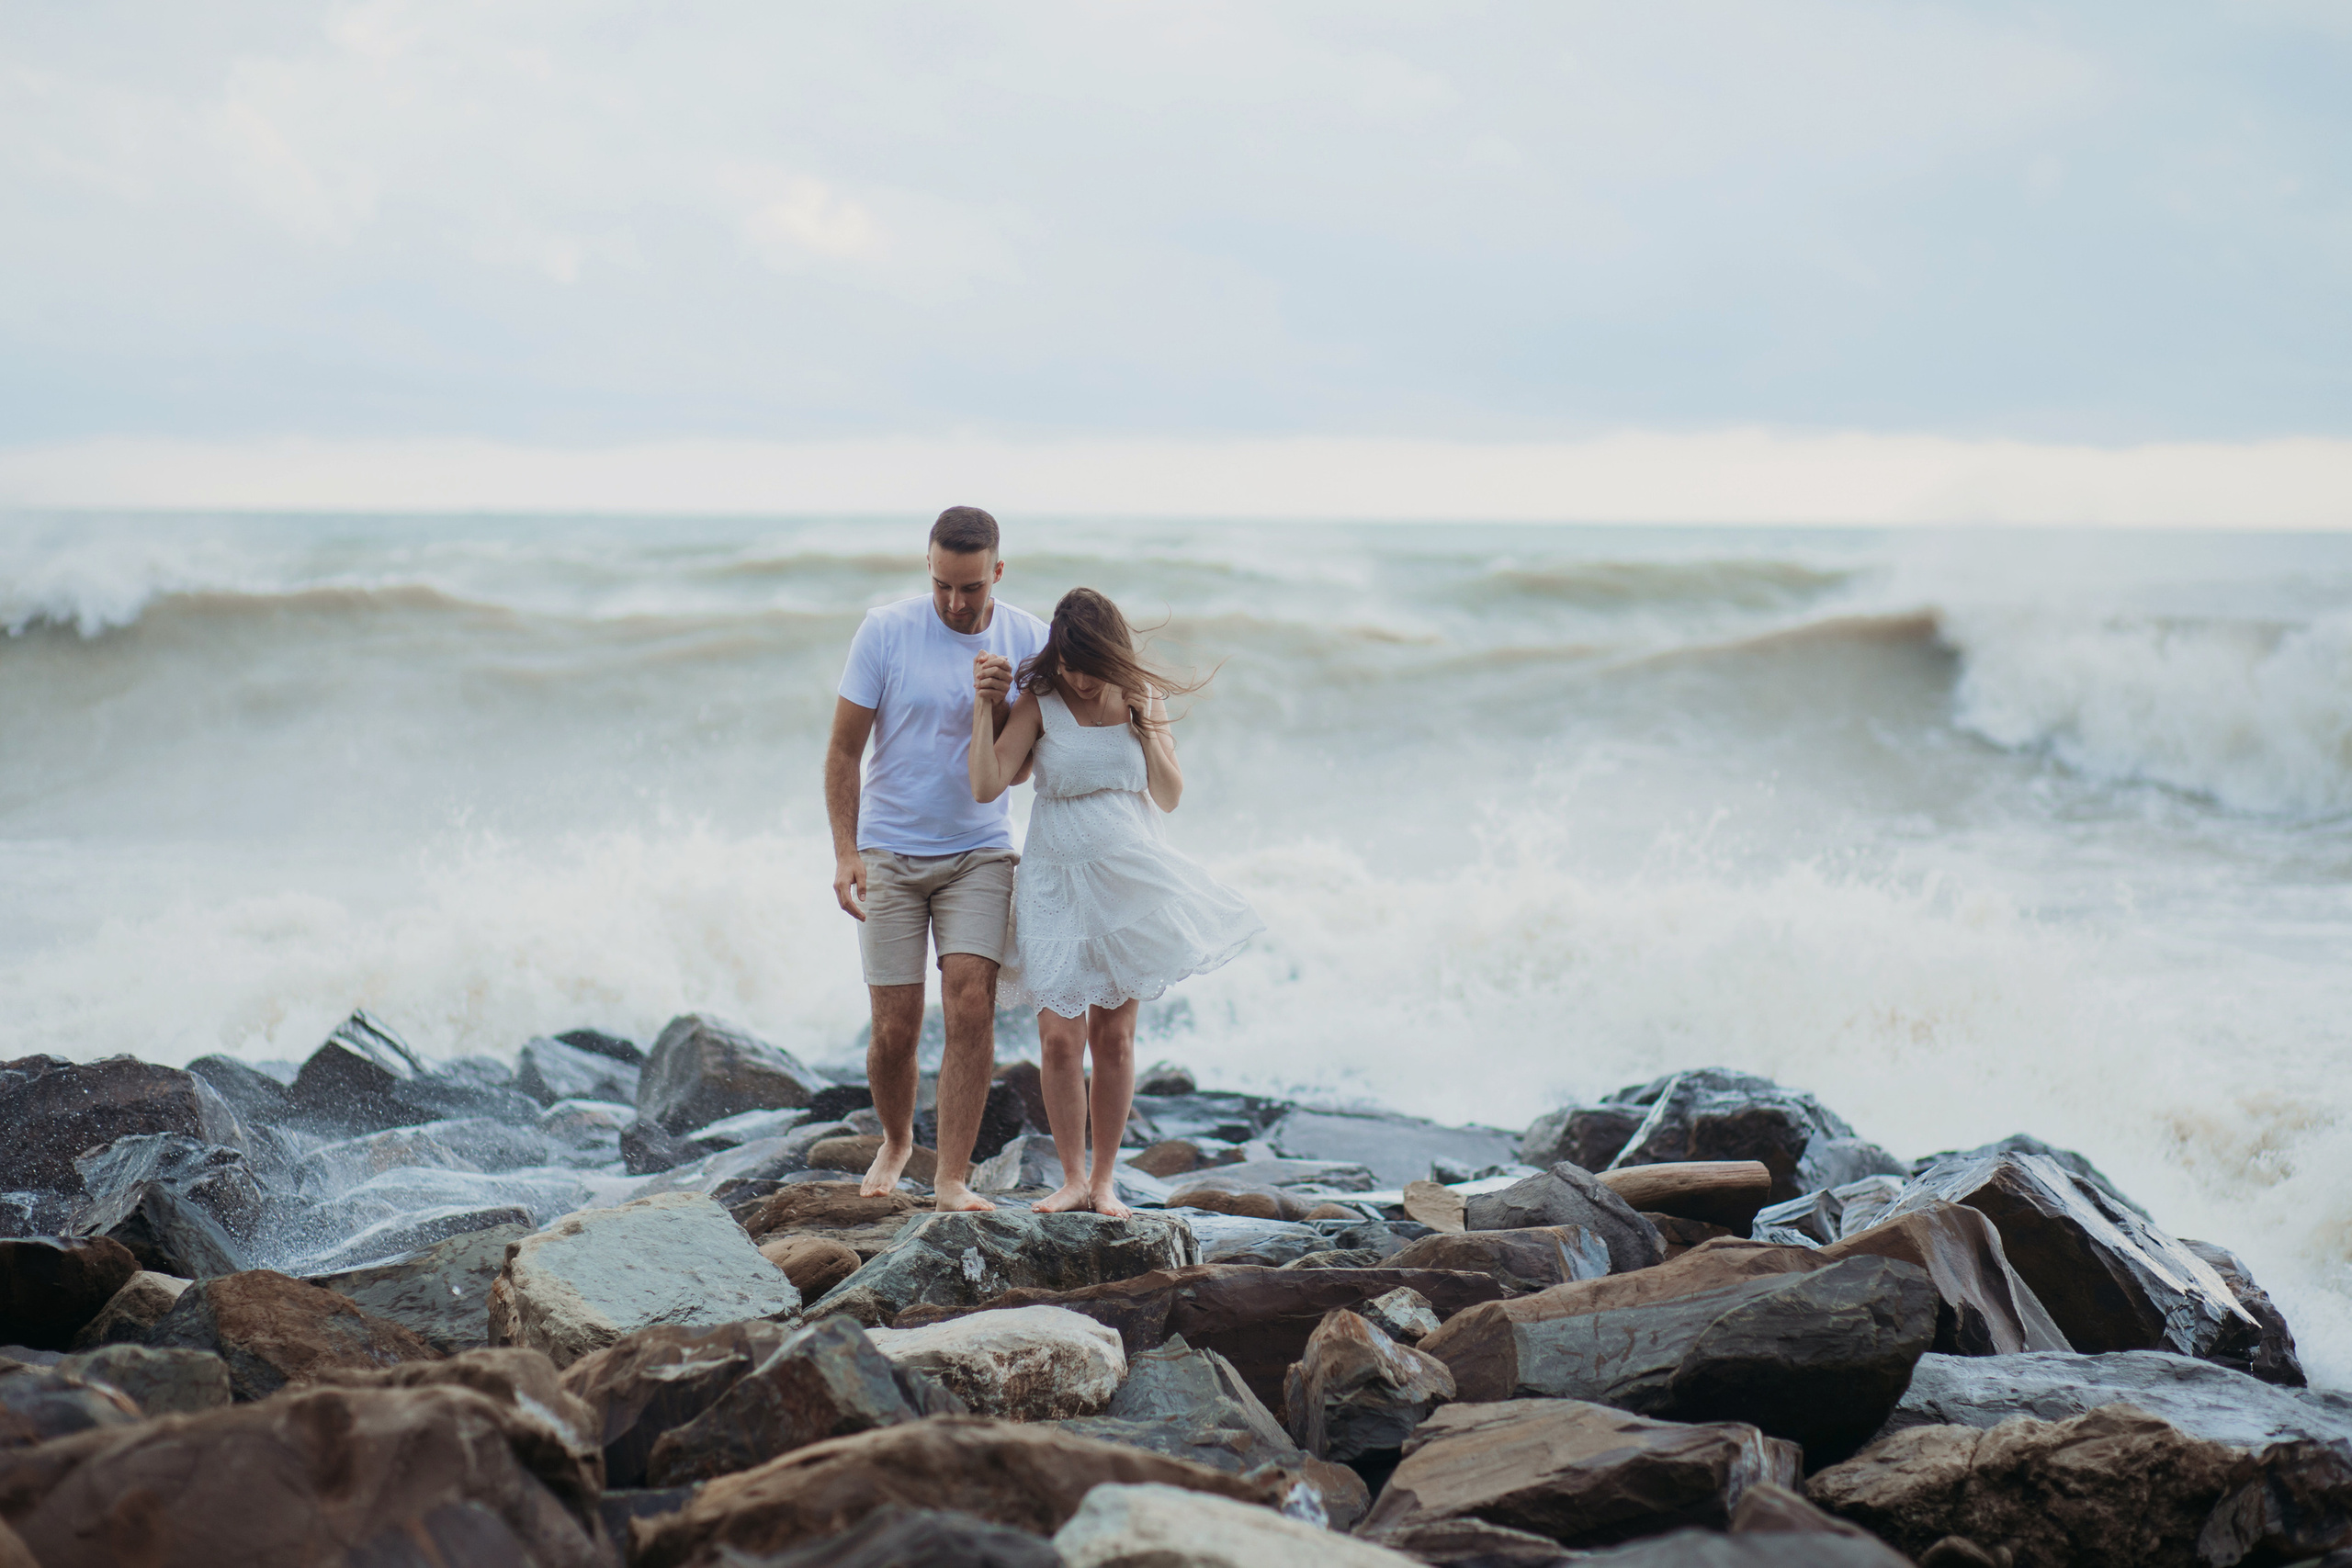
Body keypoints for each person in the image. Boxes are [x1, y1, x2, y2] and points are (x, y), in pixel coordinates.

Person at [967, 588, 1263, 1217]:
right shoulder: (1042, 700)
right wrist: (984, 706)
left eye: (1088, 666)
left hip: (1126, 883)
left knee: (1116, 1038)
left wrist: (1144, 725)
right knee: (1056, 1038)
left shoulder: (1141, 697)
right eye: (1068, 665)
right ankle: (1071, 1177)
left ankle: (1105, 1180)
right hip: (1053, 880)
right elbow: (989, 782)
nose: (1077, 678)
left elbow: (1170, 793)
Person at [826, 506, 1049, 1211]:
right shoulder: (886, 630)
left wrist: (999, 701)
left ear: (997, 574)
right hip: (889, 849)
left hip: (980, 851)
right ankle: (897, 1139)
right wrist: (845, 850)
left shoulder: (1028, 639)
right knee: (895, 1028)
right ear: (930, 570)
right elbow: (842, 750)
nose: (955, 603)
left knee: (971, 1004)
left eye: (971, 589)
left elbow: (1016, 773)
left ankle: (951, 1174)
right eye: (943, 586)